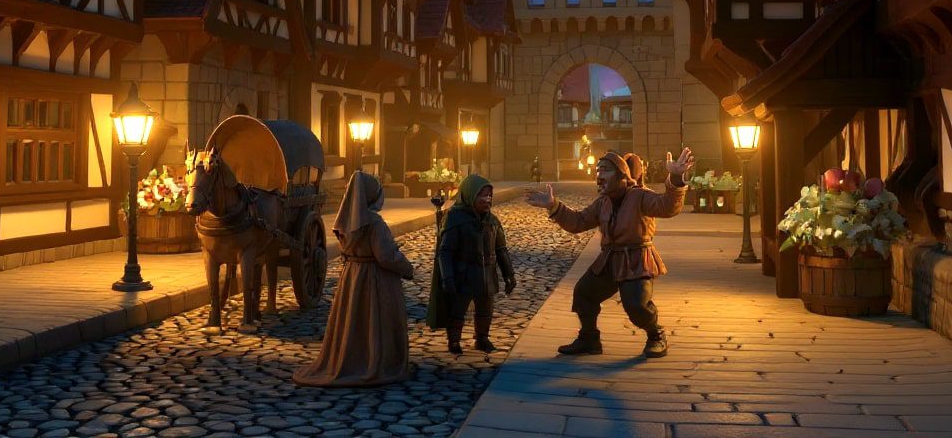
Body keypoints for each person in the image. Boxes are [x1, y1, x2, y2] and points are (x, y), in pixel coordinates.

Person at [526, 147, 694, 358]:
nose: (599, 176)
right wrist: (553, 206)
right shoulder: (602, 203)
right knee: (584, 293)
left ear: (622, 175)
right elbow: (579, 222)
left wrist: (676, 177)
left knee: (636, 306)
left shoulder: (641, 196)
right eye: (597, 171)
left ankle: (655, 335)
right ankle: (589, 339)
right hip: (609, 260)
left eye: (604, 170)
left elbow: (667, 207)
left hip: (636, 260)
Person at [294, 172, 414, 387]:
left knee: (353, 319)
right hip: (374, 279)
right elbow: (386, 256)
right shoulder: (375, 223)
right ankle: (374, 360)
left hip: (352, 276)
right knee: (373, 320)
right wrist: (406, 268)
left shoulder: (347, 222)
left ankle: (353, 357)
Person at [428, 174, 515, 355]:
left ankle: (482, 338)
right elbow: (445, 252)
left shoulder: (492, 221)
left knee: (485, 309)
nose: (487, 199)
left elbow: (501, 249)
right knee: (458, 310)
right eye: (482, 195)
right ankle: (454, 341)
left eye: (489, 195)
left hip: (487, 274)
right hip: (463, 274)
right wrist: (448, 278)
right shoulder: (455, 218)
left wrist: (509, 275)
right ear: (470, 195)